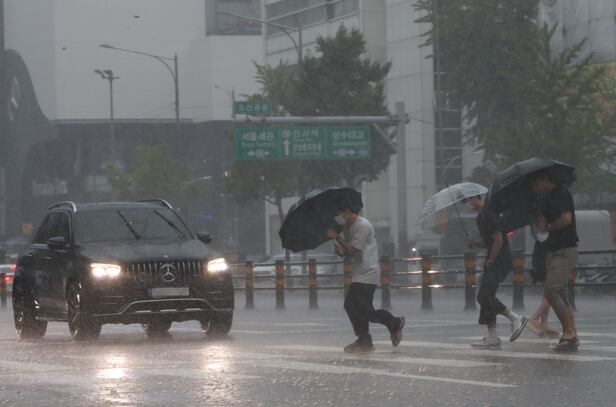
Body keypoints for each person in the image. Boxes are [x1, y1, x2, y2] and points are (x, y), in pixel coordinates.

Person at [326, 199, 405, 353]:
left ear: (348, 211)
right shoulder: (347, 227)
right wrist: (339, 248)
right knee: (358, 308)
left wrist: (337, 237)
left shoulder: (363, 225)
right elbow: (349, 253)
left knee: (359, 308)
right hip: (359, 273)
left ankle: (391, 324)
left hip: (368, 272)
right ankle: (366, 338)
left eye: (339, 213)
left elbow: (353, 249)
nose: (338, 217)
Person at [465, 195, 527, 349]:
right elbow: (489, 241)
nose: (468, 204)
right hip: (497, 259)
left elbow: (498, 240)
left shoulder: (488, 214)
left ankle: (515, 318)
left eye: (468, 200)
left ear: (475, 198)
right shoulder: (482, 216)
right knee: (486, 295)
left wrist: (491, 260)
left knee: (484, 296)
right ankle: (492, 336)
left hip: (500, 260)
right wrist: (473, 242)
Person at [527, 171, 579, 351]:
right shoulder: (544, 199)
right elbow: (542, 225)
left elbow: (566, 219)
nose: (536, 188)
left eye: (537, 184)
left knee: (551, 290)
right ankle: (572, 334)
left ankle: (569, 333)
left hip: (565, 249)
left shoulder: (561, 193)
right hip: (552, 250)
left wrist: (548, 226)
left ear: (545, 179)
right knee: (561, 294)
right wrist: (540, 221)